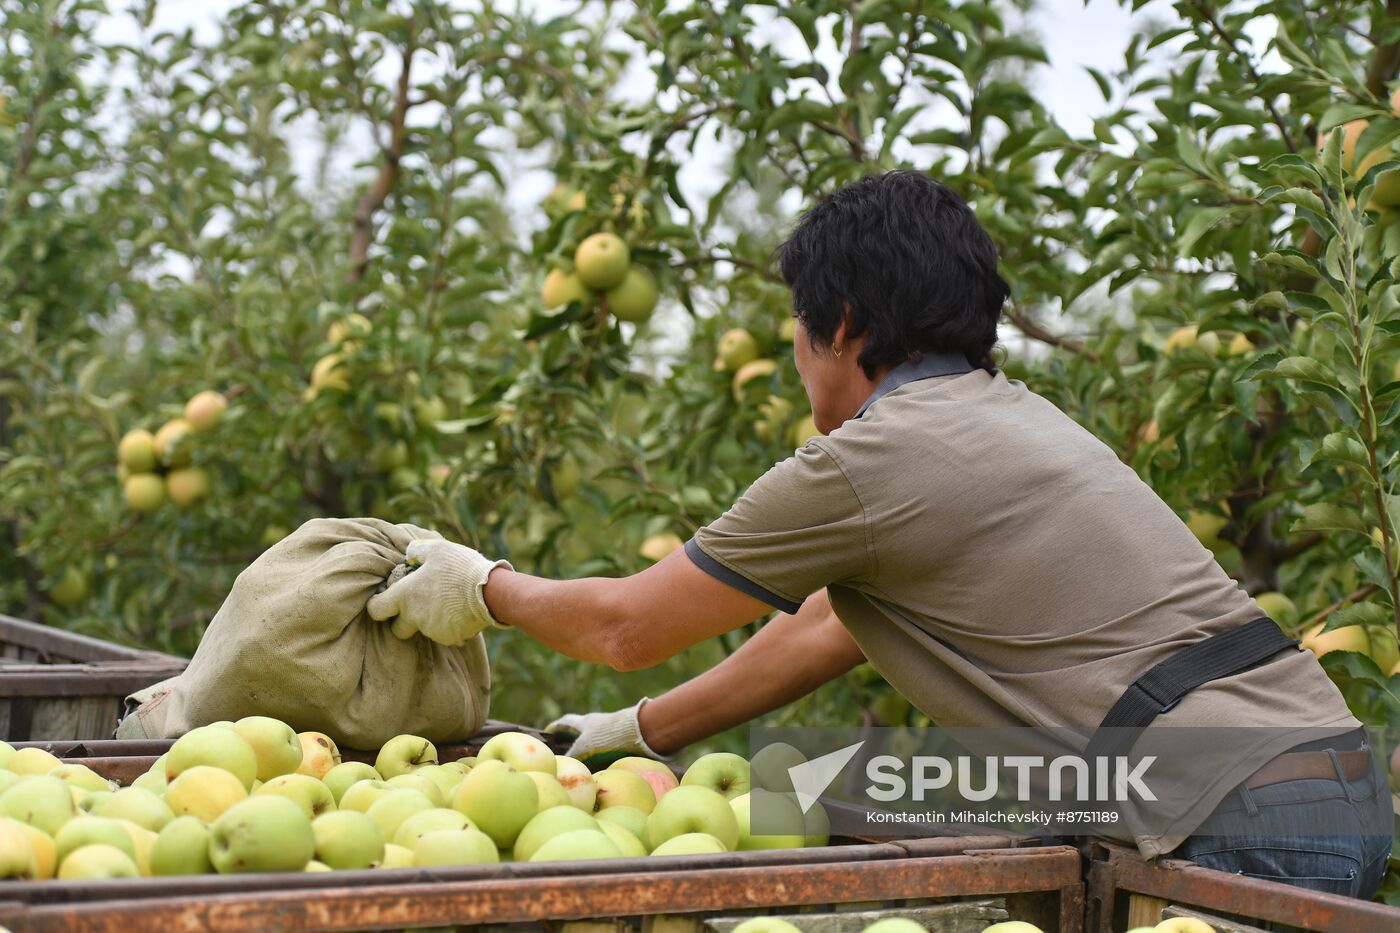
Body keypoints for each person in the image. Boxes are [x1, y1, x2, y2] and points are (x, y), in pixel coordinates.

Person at [368, 170, 1394, 897]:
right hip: (1326, 779)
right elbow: (828, 628)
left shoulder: (873, 459)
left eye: (798, 336)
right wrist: (641, 735)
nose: (799, 363)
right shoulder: (1013, 416)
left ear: (843, 325)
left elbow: (622, 628)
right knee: (821, 784)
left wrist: (479, 585)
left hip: (1226, 814)